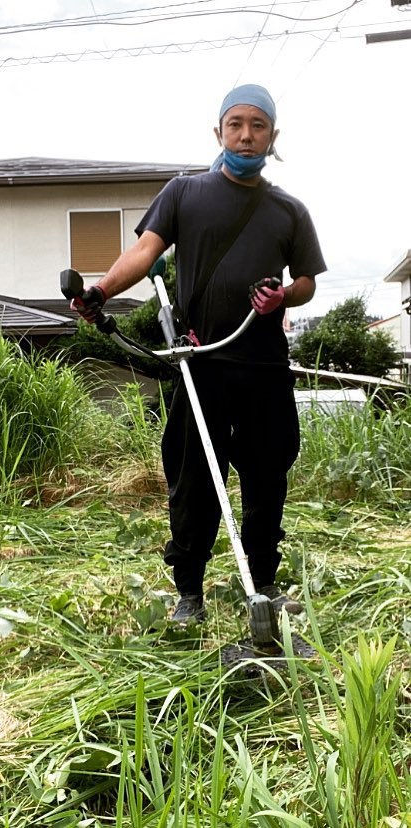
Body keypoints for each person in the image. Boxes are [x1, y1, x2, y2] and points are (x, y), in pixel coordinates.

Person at [73, 84, 326, 623]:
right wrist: (100, 293)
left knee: (267, 478)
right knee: (194, 480)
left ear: (272, 137)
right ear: (218, 131)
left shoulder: (289, 211)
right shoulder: (183, 194)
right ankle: (190, 592)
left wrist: (284, 295)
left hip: (263, 363)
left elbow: (306, 281)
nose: (246, 134)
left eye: (258, 125)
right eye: (235, 123)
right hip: (201, 363)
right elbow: (145, 251)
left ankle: (263, 583)